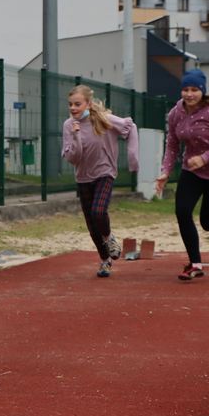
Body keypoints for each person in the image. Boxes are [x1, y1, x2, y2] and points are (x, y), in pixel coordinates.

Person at [153, 69, 209, 281]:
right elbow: (172, 144)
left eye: (194, 90)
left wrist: (205, 158)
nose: (189, 94)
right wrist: (165, 171)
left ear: (202, 91)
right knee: (182, 212)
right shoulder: (176, 113)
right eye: (185, 89)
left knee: (207, 220)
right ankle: (195, 263)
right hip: (191, 172)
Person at [61, 84, 139, 277]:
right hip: (83, 177)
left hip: (105, 173)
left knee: (98, 211)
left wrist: (133, 159)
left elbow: (131, 128)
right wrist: (76, 136)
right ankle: (105, 260)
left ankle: (109, 236)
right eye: (70, 104)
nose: (73, 108)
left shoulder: (104, 119)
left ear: (88, 103)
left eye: (77, 104)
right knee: (91, 223)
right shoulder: (68, 125)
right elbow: (73, 158)